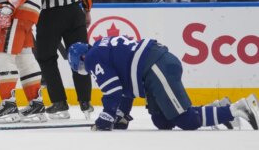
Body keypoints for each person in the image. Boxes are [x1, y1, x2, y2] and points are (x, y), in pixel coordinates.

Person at [68, 36, 259, 131]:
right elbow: (124, 90)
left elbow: (112, 91)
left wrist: (106, 119)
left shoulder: (93, 58)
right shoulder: (102, 46)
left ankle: (238, 109)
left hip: (155, 67)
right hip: (154, 67)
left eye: (80, 66)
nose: (85, 70)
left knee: (186, 121)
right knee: (163, 122)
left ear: (81, 58)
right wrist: (122, 114)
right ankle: (219, 109)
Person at [33, 0, 94, 120]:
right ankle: (86, 102)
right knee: (80, 58)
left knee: (46, 58)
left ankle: (59, 103)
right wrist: (86, 10)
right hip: (74, 13)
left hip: (49, 15)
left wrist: (33, 13)